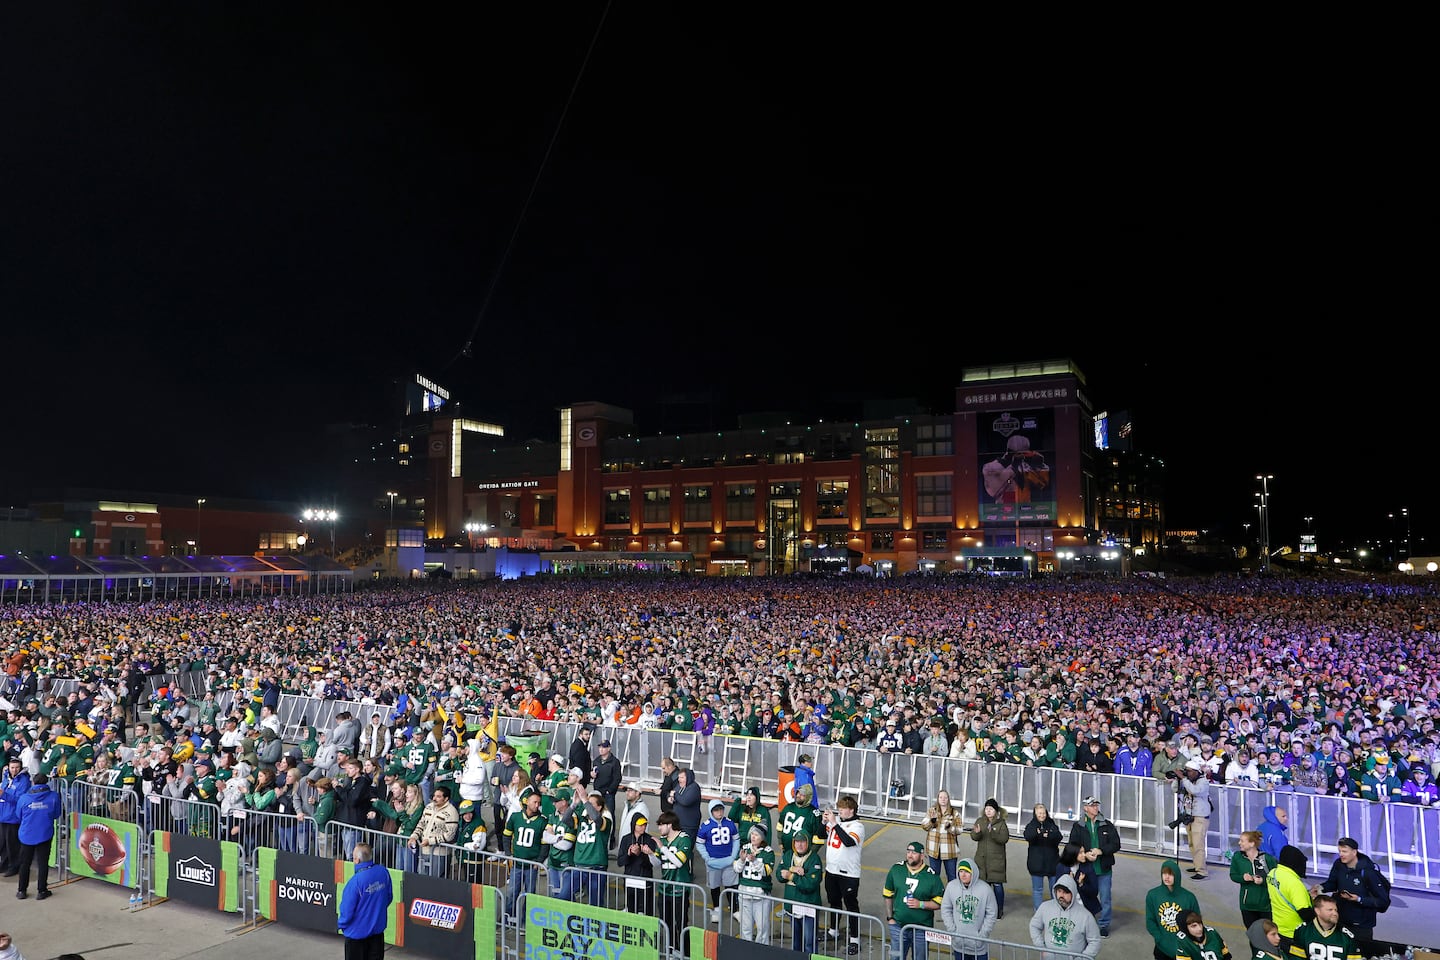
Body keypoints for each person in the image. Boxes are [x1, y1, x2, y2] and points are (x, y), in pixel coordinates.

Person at [1311, 837, 1389, 943]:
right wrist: (1321, 887)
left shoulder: (1368, 872)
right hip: (1340, 920)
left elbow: (1383, 901)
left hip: (1361, 926)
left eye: (1344, 851)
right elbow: (1332, 883)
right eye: (1339, 851)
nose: (1341, 854)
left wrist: (1359, 899)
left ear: (1354, 852)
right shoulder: (1338, 865)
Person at [1068, 795, 1121, 938]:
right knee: (1085, 897)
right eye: (1092, 805)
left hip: (1103, 869)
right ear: (1085, 808)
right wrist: (1084, 855)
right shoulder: (1078, 826)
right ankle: (1085, 923)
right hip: (1086, 869)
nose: (1095, 808)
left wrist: (1101, 851)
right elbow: (1072, 845)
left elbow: (1116, 844)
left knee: (1105, 898)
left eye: (1096, 805)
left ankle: (1103, 925)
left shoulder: (1107, 825)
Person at [882, 840, 944, 960]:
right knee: (896, 958)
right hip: (898, 926)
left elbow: (940, 901)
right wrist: (890, 918)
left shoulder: (931, 876)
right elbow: (887, 893)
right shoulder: (896, 869)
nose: (910, 855)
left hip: (921, 928)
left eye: (914, 852)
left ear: (922, 856)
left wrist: (921, 904)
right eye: (908, 851)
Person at [822, 794, 864, 956]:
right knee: (834, 902)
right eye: (838, 808)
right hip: (832, 871)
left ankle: (854, 939)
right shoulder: (836, 823)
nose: (839, 811)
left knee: (851, 906)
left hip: (849, 874)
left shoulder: (858, 826)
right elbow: (820, 834)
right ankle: (833, 930)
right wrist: (824, 822)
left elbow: (848, 842)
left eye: (843, 809)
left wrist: (834, 823)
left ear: (851, 810)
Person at [338, 841, 392, 960]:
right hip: (377, 932)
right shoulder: (383, 872)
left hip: (356, 935)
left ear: (357, 860)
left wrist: (342, 924)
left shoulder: (355, 882)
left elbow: (346, 910)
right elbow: (388, 897)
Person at [1029, 874, 1101, 959]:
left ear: (1073, 893)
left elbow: (1094, 941)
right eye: (1059, 891)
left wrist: (1082, 958)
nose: (1061, 895)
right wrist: (1041, 947)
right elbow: (1034, 926)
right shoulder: (1045, 907)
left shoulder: (1085, 916)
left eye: (1065, 892)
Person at [15, 773, 62, 900]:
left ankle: (21, 890)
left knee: (25, 863)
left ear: (33, 783)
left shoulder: (24, 798)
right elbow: (57, 814)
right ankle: (42, 890)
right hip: (44, 833)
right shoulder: (54, 797)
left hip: (27, 834)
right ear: (47, 782)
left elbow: (18, 815)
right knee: (43, 863)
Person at [503, 791, 548, 922]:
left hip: (531, 864)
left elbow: (545, 845)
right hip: (517, 863)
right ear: (527, 801)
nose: (537, 805)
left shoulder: (542, 821)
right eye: (534, 802)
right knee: (512, 893)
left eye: (539, 803)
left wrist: (539, 861)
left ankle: (525, 921)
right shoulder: (515, 817)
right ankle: (508, 918)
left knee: (529, 895)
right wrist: (508, 854)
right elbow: (506, 836)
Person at [941, 858, 997, 960]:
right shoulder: (951, 887)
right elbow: (945, 909)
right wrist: (953, 931)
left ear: (973, 872)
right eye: (961, 871)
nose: (963, 875)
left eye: (967, 872)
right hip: (958, 945)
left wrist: (982, 935)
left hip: (979, 948)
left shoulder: (985, 890)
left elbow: (991, 914)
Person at [781, 829, 825, 954]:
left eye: (803, 842)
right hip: (792, 907)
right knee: (796, 942)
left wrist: (791, 876)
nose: (799, 845)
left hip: (808, 908)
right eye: (797, 842)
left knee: (809, 942)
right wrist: (792, 869)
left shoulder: (814, 859)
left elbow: (810, 885)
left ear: (808, 843)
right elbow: (779, 874)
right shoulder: (788, 855)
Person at [1145, 859, 1200, 960]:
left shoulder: (1189, 898)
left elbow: (1197, 923)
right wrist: (1159, 938)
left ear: (1177, 876)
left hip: (1184, 949)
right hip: (1162, 949)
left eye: (1170, 874)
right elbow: (1150, 920)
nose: (1167, 877)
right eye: (1164, 873)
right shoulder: (1153, 895)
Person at [656, 811, 693, 958]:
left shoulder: (684, 839)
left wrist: (662, 848)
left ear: (670, 825)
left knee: (681, 923)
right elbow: (658, 862)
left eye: (661, 825)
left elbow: (678, 862)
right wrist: (650, 854)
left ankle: (685, 953)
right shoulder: (663, 840)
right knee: (667, 924)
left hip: (679, 889)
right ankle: (671, 951)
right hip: (664, 889)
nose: (659, 828)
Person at [698, 798, 740, 923]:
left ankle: (735, 909)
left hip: (728, 861)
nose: (719, 812)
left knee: (731, 886)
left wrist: (733, 856)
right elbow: (699, 844)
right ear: (711, 811)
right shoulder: (705, 826)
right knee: (715, 887)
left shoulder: (730, 823)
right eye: (716, 810)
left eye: (721, 809)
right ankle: (716, 909)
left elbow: (736, 840)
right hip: (713, 862)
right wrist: (707, 857)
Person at [1267, 845, 1314, 950]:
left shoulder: (1272, 874)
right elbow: (1304, 912)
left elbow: (1284, 893)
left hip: (1279, 929)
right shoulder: (1294, 883)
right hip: (1295, 934)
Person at [969, 797, 1009, 919]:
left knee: (997, 886)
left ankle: (999, 910)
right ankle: (983, 910)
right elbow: (974, 837)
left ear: (996, 811)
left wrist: (992, 832)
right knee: (983, 887)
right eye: (986, 809)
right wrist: (976, 832)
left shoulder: (1001, 823)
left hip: (996, 861)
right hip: (982, 860)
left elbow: (1004, 839)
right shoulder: (980, 821)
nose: (988, 811)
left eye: (991, 809)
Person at [572, 789, 613, 906]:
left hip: (596, 867)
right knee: (565, 894)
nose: (587, 806)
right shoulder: (582, 819)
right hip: (580, 865)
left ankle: (596, 923)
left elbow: (597, 819)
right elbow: (565, 820)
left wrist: (585, 799)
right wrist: (574, 804)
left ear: (599, 807)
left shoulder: (606, 820)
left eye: (591, 804)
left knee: (595, 901)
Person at [736, 824, 775, 944]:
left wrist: (755, 861)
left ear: (762, 837)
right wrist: (742, 860)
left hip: (761, 896)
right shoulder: (745, 847)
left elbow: (766, 872)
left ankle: (762, 953)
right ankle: (746, 952)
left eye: (757, 834)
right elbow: (737, 869)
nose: (753, 837)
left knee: (762, 928)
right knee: (745, 928)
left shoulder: (768, 852)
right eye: (752, 833)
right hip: (744, 893)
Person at [1229, 829, 1276, 930]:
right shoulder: (1237, 857)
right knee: (1252, 933)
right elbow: (1233, 875)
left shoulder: (1267, 859)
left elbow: (1276, 878)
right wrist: (1243, 877)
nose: (1239, 843)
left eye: (1242, 841)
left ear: (1251, 843)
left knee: (1267, 933)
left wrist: (1263, 880)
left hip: (1265, 905)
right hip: (1247, 905)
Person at [1174, 759, 1212, 879]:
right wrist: (1177, 779)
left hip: (1199, 816)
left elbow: (1195, 791)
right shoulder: (1187, 781)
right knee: (1192, 843)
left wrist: (1184, 779)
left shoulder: (1203, 782)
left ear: (1196, 772)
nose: (1187, 773)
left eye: (1189, 771)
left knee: (1198, 844)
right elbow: (1174, 790)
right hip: (1189, 815)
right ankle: (1197, 865)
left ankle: (1202, 871)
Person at [615, 812, 659, 915]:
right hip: (630, 880)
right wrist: (629, 854)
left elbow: (652, 864)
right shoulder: (626, 839)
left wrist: (644, 854)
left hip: (645, 880)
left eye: (644, 825)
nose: (643, 827)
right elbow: (620, 862)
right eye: (640, 825)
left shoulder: (650, 840)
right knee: (631, 910)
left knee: (646, 910)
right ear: (634, 825)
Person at [1288, 893, 1358, 958]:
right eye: (1330, 910)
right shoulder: (1303, 931)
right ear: (1317, 911)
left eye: (1336, 910)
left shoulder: (1347, 936)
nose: (1335, 913)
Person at [1023, 802, 1062, 910]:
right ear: (1035, 814)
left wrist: (1047, 834)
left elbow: (1059, 836)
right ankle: (1039, 914)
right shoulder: (1031, 825)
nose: (1042, 815)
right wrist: (1040, 834)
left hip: (1052, 863)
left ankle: (1056, 912)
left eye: (1043, 813)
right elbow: (1028, 836)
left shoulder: (1051, 824)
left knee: (1055, 890)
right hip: (1036, 864)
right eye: (1039, 813)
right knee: (1037, 890)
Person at [920, 789, 961, 883]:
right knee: (934, 876)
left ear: (948, 799)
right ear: (938, 799)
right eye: (941, 797)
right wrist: (932, 821)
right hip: (934, 850)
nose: (943, 799)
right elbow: (924, 826)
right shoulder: (931, 811)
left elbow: (960, 830)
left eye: (945, 797)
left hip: (949, 851)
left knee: (952, 876)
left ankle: (952, 896)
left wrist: (950, 828)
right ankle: (935, 896)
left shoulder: (954, 813)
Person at [0, 757, 31, 876]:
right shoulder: (6, 777)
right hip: (3, 815)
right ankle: (3, 864)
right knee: (2, 843)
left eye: (17, 767)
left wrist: (4, 795)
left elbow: (20, 800)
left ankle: (14, 867)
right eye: (12, 767)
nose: (14, 770)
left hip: (13, 817)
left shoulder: (24, 781)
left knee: (12, 844)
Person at [1056, 841, 1102, 919]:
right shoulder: (1061, 867)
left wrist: (1081, 884)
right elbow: (1058, 891)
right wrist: (1068, 883)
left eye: (1084, 852)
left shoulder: (1088, 867)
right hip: (1068, 909)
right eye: (1080, 853)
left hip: (1086, 908)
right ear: (1072, 854)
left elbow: (1094, 891)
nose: (1084, 854)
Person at [592, 738, 621, 848]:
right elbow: (593, 772)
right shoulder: (596, 761)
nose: (601, 749)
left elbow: (617, 778)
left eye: (603, 747)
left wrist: (610, 790)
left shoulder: (615, 762)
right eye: (600, 747)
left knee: (609, 815)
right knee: (597, 814)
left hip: (608, 793)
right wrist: (592, 775)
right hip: (598, 791)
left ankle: (611, 838)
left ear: (609, 748)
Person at [672, 767, 701, 837]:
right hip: (677, 823)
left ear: (688, 777)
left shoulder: (694, 788)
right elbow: (671, 793)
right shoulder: (679, 786)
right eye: (679, 777)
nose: (679, 780)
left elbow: (685, 801)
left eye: (682, 777)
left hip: (688, 825)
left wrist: (675, 795)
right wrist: (670, 798)